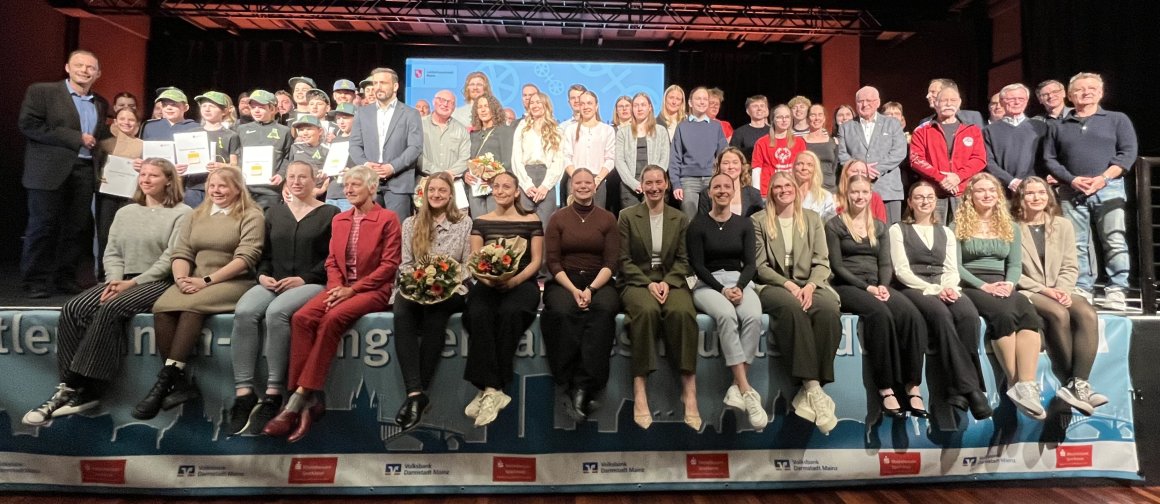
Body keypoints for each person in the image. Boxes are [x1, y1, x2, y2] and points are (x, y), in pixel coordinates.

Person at [23, 159, 190, 426]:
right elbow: (112, 251)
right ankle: (72, 390)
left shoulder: (183, 213)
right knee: (73, 308)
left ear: (169, 180)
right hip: (119, 279)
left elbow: (171, 258)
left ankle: (79, 385)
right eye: (143, 174)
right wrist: (114, 280)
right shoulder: (125, 212)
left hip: (157, 282)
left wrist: (132, 284)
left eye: (153, 176)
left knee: (112, 308)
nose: (145, 180)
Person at [263, 165, 402, 442]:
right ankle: (310, 398)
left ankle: (296, 401)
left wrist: (353, 290)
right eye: (347, 185)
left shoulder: (388, 219)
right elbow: (331, 261)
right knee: (301, 318)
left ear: (372, 188)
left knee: (330, 321)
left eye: (355, 185)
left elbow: (389, 266)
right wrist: (338, 287)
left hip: (372, 290)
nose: (348, 190)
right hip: (339, 288)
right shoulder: (340, 219)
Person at [133, 166, 264, 420]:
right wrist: (181, 278)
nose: (217, 190)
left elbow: (247, 257)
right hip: (193, 279)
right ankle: (179, 383)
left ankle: (163, 384)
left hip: (233, 281)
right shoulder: (196, 214)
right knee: (163, 307)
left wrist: (206, 281)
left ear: (238, 188)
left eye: (223, 186)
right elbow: (181, 252)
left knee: (193, 307)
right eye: (212, 185)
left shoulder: (251, 215)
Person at [225, 161, 339, 436]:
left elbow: (331, 258)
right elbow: (264, 256)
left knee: (277, 313)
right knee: (244, 312)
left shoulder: (330, 213)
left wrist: (305, 279)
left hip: (311, 283)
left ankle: (274, 393)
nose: (297, 182)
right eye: (292, 177)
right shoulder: (274, 212)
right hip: (272, 282)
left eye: (303, 177)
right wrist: (263, 276)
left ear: (315, 181)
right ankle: (244, 393)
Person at [826, 175, 928, 419]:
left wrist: (882, 285)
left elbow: (885, 263)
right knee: (879, 314)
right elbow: (837, 267)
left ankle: (912, 385)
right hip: (847, 285)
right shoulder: (834, 225)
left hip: (877, 284)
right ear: (846, 195)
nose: (860, 197)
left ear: (871, 194)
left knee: (911, 315)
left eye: (864, 192)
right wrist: (867, 288)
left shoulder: (879, 226)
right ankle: (886, 387)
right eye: (854, 192)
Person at [888, 180, 991, 420]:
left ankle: (957, 391)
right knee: (942, 315)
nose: (925, 201)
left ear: (936, 202)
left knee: (968, 316)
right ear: (910, 202)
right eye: (919, 197)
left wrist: (948, 288)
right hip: (914, 287)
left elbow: (952, 268)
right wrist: (934, 289)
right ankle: (973, 389)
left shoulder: (945, 231)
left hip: (944, 284)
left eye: (930, 197)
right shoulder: (898, 229)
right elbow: (902, 271)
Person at [752, 172, 843, 434]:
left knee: (827, 310)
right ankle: (813, 388)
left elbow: (822, 261)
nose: (783, 190)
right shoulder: (758, 220)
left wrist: (811, 286)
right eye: (777, 187)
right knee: (792, 309)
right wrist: (791, 285)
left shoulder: (813, 219)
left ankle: (808, 394)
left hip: (811, 283)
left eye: (787, 186)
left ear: (796, 189)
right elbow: (760, 266)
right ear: (770, 192)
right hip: (773, 286)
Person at [18, 49, 110, 298]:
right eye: (79, 65)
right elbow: (29, 125)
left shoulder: (100, 102)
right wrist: (75, 138)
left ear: (98, 73)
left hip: (83, 172)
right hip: (47, 171)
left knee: (76, 228)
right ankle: (34, 280)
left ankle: (64, 278)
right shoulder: (42, 91)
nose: (84, 70)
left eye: (90, 67)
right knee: (43, 226)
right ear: (68, 68)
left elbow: (103, 138)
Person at [1042, 72, 1137, 311]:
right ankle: (1083, 287)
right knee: (1075, 243)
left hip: (1109, 188)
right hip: (1071, 191)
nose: (1086, 92)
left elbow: (1127, 154)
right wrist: (1072, 180)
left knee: (1114, 239)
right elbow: (1050, 159)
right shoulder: (1058, 125)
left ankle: (1117, 288)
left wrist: (1103, 179)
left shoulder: (1117, 119)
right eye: (1080, 89)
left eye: (1092, 88)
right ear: (1071, 96)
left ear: (1101, 92)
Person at [953, 173, 1044, 420]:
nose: (987, 195)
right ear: (970, 195)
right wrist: (984, 287)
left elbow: (1014, 264)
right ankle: (1014, 384)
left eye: (992, 190)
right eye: (981, 190)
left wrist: (1009, 284)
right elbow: (956, 266)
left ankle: (1026, 384)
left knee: (1026, 312)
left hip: (1002, 282)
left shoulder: (1010, 226)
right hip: (972, 284)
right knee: (1003, 314)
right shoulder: (957, 225)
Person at [1014, 177, 1106, 415]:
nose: (1037, 198)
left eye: (1041, 193)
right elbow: (1011, 271)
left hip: (1060, 288)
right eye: (1030, 194)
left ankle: (1080, 383)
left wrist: (1063, 290)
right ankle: (1070, 382)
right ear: (1021, 198)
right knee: (1057, 313)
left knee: (1086, 312)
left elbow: (1070, 265)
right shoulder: (1011, 226)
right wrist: (1046, 291)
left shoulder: (1062, 225)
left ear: (1049, 196)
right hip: (1029, 290)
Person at [617, 165, 701, 431]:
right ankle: (640, 389)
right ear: (641, 185)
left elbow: (684, 261)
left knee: (682, 313)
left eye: (658, 182)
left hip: (672, 282)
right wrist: (648, 283)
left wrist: (666, 282)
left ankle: (689, 390)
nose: (654, 187)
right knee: (646, 312)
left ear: (666, 184)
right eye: (648, 182)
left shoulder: (680, 218)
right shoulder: (627, 216)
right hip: (637, 282)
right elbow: (623, 260)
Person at [461, 171, 544, 427]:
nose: (501, 190)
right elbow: (475, 261)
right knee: (477, 314)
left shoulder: (532, 219)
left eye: (506, 186)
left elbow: (537, 261)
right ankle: (493, 390)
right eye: (496, 186)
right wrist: (488, 280)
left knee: (510, 313)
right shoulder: (481, 221)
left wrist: (514, 281)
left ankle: (488, 387)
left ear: (517, 191)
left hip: (522, 283)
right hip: (487, 282)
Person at [392, 172, 473, 431]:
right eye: (432, 190)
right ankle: (416, 394)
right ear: (425, 195)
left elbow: (468, 264)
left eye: (442, 190)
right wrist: (418, 284)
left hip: (451, 289)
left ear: (451, 195)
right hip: (417, 285)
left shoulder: (464, 223)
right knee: (402, 310)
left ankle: (416, 393)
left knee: (435, 316)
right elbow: (406, 264)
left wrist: (445, 280)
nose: (436, 194)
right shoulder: (410, 223)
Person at [688, 172, 767, 429]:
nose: (722, 190)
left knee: (754, 317)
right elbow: (698, 266)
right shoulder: (697, 225)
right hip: (708, 284)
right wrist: (722, 290)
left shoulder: (744, 224)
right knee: (726, 315)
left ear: (734, 191)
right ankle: (746, 388)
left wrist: (740, 287)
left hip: (739, 281)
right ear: (709, 192)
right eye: (716, 186)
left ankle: (735, 387)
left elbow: (751, 264)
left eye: (726, 186)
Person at [541, 169, 620, 421]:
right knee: (562, 312)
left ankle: (587, 385)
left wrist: (592, 290)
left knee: (604, 311)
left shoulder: (607, 219)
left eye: (588, 182)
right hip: (566, 280)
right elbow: (552, 262)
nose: (584, 186)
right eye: (578, 183)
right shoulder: (558, 218)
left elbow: (611, 262)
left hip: (599, 280)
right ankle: (567, 382)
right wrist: (575, 290)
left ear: (595, 187)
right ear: (571, 187)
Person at [349, 67, 424, 219]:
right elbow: (354, 146)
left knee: (397, 233)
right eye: (375, 83)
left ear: (395, 86)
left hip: (399, 183)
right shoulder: (362, 113)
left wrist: (392, 167)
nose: (378, 87)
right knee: (369, 233)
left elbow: (415, 147)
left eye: (383, 83)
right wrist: (365, 165)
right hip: (369, 183)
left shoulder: (411, 114)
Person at [909, 84, 986, 225]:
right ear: (936, 103)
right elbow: (916, 160)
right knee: (935, 235)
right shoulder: (922, 131)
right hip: (933, 193)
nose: (949, 104)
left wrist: (958, 177)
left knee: (963, 234)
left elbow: (979, 159)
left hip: (963, 192)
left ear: (959, 103)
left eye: (953, 100)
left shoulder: (972, 130)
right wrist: (941, 178)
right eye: (944, 101)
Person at [836, 86, 907, 224]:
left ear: (878, 102)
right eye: (860, 101)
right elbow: (842, 154)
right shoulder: (846, 127)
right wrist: (860, 169)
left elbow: (899, 151)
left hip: (888, 190)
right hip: (856, 191)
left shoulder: (892, 124)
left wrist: (876, 169)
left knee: (890, 235)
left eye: (869, 100)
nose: (865, 104)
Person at [95, 107, 144, 266]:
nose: (126, 122)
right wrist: (99, 178)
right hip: (107, 194)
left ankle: (127, 270)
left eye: (131, 120)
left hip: (131, 195)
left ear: (137, 124)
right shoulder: (104, 143)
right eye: (122, 119)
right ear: (115, 121)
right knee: (106, 233)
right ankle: (104, 271)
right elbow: (95, 167)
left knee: (128, 233)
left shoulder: (143, 145)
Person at [670, 86, 728, 218]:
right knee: (689, 221)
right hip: (688, 181)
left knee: (714, 219)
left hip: (711, 179)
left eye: (705, 99)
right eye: (698, 99)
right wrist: (676, 184)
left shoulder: (716, 126)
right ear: (690, 103)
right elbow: (675, 157)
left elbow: (724, 154)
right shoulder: (682, 126)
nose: (702, 102)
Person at [510, 91, 564, 229]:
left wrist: (546, 185)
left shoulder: (556, 129)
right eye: (532, 102)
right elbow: (516, 158)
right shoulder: (522, 126)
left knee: (546, 227)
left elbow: (558, 161)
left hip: (547, 179)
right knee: (524, 226)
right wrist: (526, 184)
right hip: (525, 177)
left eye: (538, 102)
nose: (534, 105)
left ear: (546, 104)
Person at [984, 83, 1046, 193]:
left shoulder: (1040, 127)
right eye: (1011, 99)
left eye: (1021, 99)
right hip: (1002, 189)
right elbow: (988, 161)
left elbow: (1048, 157)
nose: (1017, 102)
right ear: (1002, 102)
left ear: (1027, 101)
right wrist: (1011, 181)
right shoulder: (989, 131)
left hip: (1035, 188)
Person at [237, 89, 293, 210]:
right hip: (245, 190)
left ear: (272, 109)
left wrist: (281, 174)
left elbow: (288, 157)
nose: (256, 110)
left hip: (271, 191)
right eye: (253, 107)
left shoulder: (284, 131)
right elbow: (237, 156)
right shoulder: (241, 130)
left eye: (261, 107)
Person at [614, 92, 670, 209]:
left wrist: (652, 182)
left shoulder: (661, 131)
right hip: (629, 186)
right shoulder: (623, 132)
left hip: (654, 186)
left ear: (649, 108)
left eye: (643, 105)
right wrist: (634, 184)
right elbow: (619, 160)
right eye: (635, 105)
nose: (639, 108)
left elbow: (664, 159)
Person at [562, 90, 616, 208]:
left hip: (598, 182)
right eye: (582, 104)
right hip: (574, 181)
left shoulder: (607, 130)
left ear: (596, 106)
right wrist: (577, 178)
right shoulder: (570, 129)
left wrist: (597, 180)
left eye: (589, 103)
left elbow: (610, 158)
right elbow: (566, 157)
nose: (586, 107)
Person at [188, 91, 241, 208]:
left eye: (212, 106)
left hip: (220, 188)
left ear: (224, 111)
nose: (207, 109)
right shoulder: (192, 134)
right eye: (204, 106)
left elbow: (235, 165)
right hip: (195, 187)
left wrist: (222, 166)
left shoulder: (231, 135)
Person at [465, 92, 514, 217]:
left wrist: (494, 177)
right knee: (479, 224)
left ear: (494, 109)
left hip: (496, 187)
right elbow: (468, 160)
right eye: (479, 107)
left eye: (486, 106)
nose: (483, 110)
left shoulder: (505, 131)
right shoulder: (473, 134)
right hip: (475, 187)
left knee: (494, 224)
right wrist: (466, 174)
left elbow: (507, 161)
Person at [750, 104, 806, 198]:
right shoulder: (762, 142)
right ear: (773, 120)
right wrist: (756, 194)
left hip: (791, 191)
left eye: (787, 117)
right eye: (780, 117)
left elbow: (802, 169)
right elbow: (756, 169)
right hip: (768, 192)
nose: (784, 120)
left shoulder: (799, 142)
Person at [696, 147, 763, 218]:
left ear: (742, 166)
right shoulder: (707, 194)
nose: (731, 166)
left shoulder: (754, 194)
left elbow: (758, 221)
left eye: (735, 162)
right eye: (726, 163)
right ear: (719, 167)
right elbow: (703, 222)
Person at [419, 89, 470, 179]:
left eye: (450, 102)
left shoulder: (461, 129)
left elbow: (465, 158)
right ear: (434, 102)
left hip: (453, 183)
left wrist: (448, 174)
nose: (445, 104)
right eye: (442, 100)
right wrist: (439, 173)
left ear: (454, 107)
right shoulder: (419, 125)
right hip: (425, 181)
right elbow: (416, 155)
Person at [920, 78, 985, 129]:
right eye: (928, 92)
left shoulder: (972, 117)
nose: (927, 96)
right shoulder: (925, 122)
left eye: (933, 92)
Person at [803, 104, 839, 192]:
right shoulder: (801, 142)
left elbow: (835, 167)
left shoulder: (833, 142)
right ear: (807, 119)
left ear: (824, 119)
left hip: (830, 189)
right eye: (813, 115)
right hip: (808, 189)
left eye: (820, 115)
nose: (817, 118)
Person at [794, 151, 836, 221]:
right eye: (800, 164)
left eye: (809, 165)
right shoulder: (786, 194)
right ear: (794, 167)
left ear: (815, 169)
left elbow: (831, 224)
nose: (804, 168)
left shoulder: (825, 196)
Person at [729, 95, 769, 161]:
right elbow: (733, 156)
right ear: (748, 111)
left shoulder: (773, 131)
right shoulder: (739, 132)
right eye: (755, 106)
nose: (759, 109)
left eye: (762, 106)